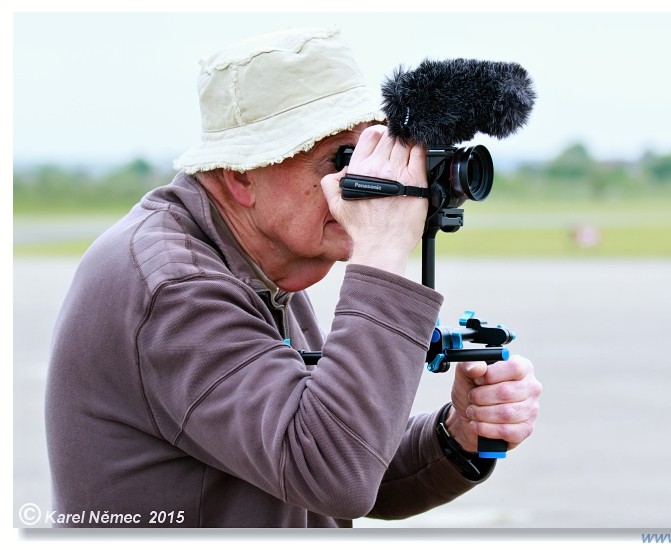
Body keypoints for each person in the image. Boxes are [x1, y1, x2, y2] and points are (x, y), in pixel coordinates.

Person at [45, 27, 542, 528]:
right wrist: (381, 254)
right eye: (342, 159)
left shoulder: (260, 261)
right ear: (241, 175)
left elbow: (340, 455)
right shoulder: (176, 288)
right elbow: (333, 473)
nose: (363, 183)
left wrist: (456, 435)